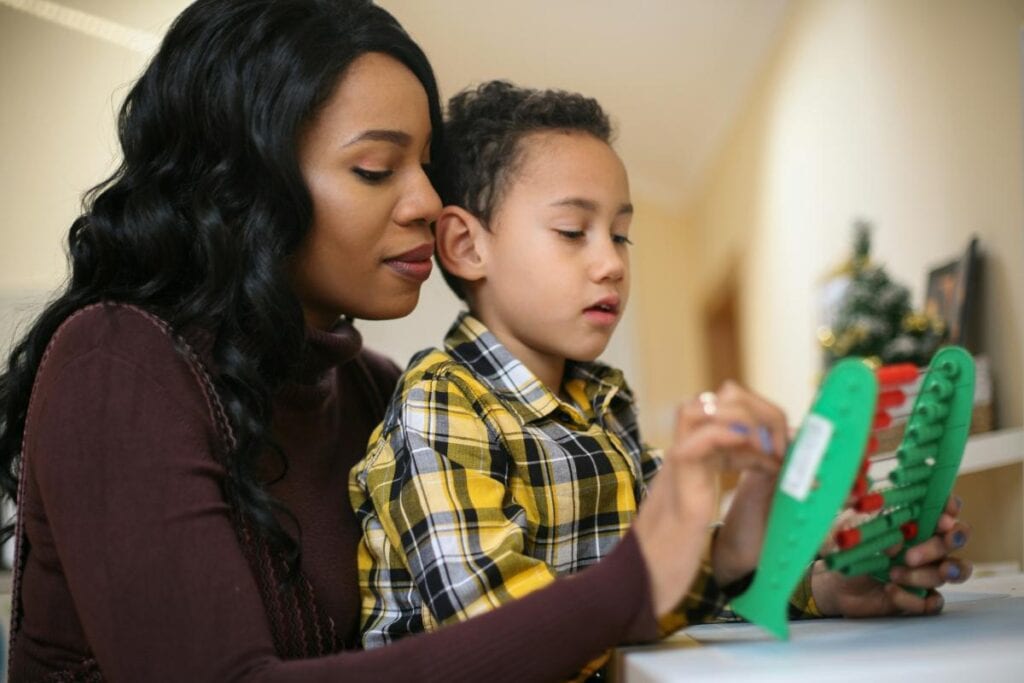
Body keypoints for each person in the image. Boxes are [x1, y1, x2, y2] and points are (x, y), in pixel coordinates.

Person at [0, 0, 968, 681]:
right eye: (378, 167)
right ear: (240, 183)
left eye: (424, 165)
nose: (428, 204)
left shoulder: (371, 394)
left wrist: (805, 585)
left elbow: (563, 612)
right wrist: (647, 567)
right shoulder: (116, 362)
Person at [350, 80, 973, 669]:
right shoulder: (440, 403)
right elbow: (498, 637)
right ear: (465, 244)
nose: (611, 264)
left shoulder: (604, 401)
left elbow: (668, 595)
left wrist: (824, 586)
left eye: (621, 236)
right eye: (573, 231)